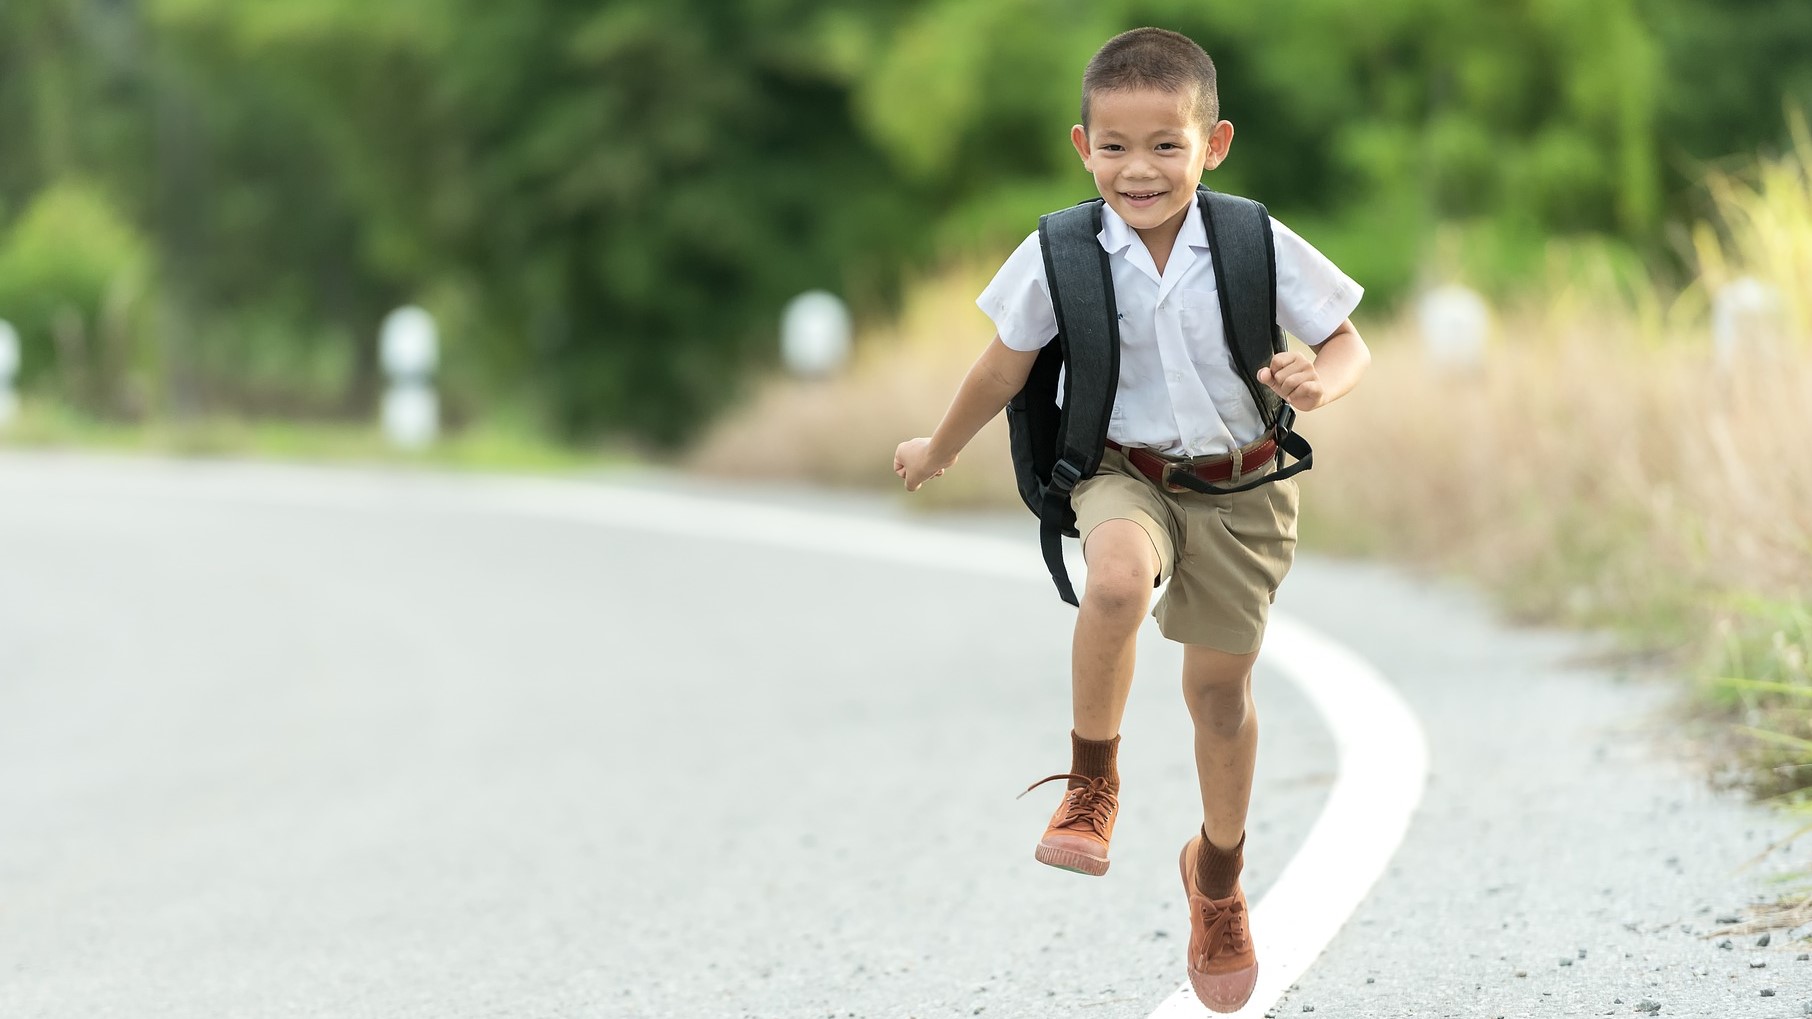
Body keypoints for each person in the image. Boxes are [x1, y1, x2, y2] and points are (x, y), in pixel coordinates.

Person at [890, 26, 1370, 1013]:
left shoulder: (1249, 240)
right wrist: (939, 444)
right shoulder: (1060, 251)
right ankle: (1093, 784)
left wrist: (1319, 381)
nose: (1139, 169)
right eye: (1115, 146)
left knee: (1218, 697)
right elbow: (1004, 364)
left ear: (1214, 143)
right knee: (1111, 581)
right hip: (1124, 473)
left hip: (1242, 489)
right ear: (1082, 146)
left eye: (1166, 145)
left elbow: (1345, 338)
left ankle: (1219, 874)